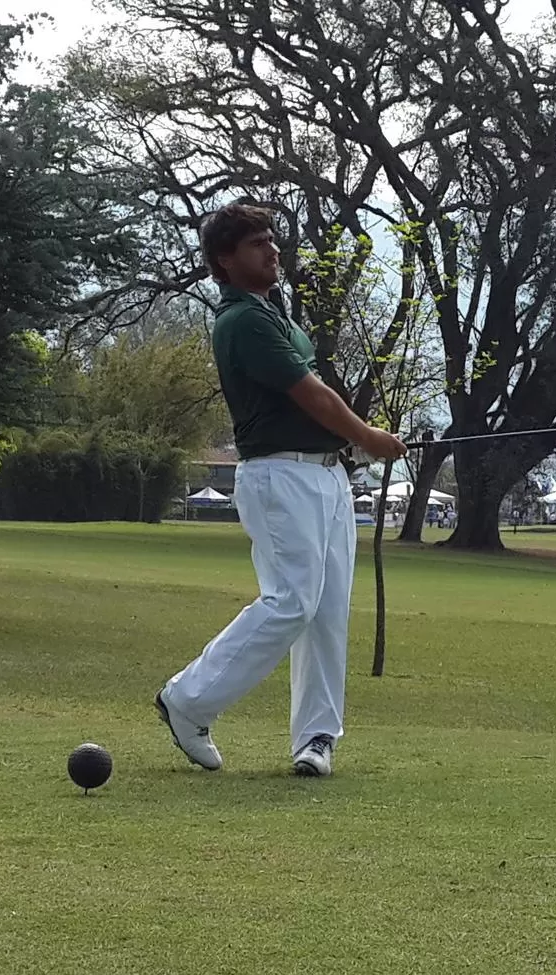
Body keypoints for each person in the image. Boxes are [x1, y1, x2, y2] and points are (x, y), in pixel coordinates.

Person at [155, 202, 406, 777]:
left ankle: (316, 737)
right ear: (225, 260)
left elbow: (315, 391)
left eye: (273, 240)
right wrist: (367, 435)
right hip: (279, 476)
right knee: (292, 601)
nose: (272, 250)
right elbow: (308, 391)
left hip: (325, 476)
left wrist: (354, 445)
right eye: (256, 244)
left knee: (326, 613)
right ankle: (187, 701)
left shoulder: (274, 314)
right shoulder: (242, 320)